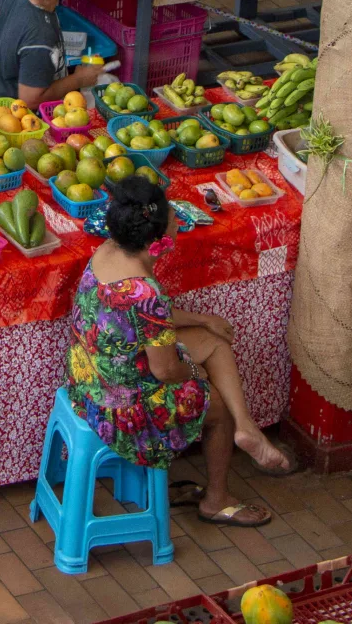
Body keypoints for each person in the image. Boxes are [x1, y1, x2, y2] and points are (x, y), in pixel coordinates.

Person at [66, 177, 298, 529]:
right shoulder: (147, 293)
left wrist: (204, 321)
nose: (178, 221)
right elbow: (166, 371)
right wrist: (195, 372)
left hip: (91, 379)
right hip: (119, 409)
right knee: (217, 404)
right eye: (173, 217)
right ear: (158, 240)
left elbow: (142, 318)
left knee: (215, 342)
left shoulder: (107, 253)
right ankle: (217, 499)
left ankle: (248, 428)